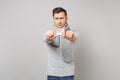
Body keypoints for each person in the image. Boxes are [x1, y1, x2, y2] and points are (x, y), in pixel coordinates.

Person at [45, 7, 76, 80]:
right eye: (57, 18)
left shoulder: (72, 32)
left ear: (66, 18)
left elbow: (74, 38)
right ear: (53, 19)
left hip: (68, 73)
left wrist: (70, 37)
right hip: (52, 73)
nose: (59, 21)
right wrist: (49, 38)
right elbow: (47, 39)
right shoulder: (49, 32)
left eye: (61, 18)